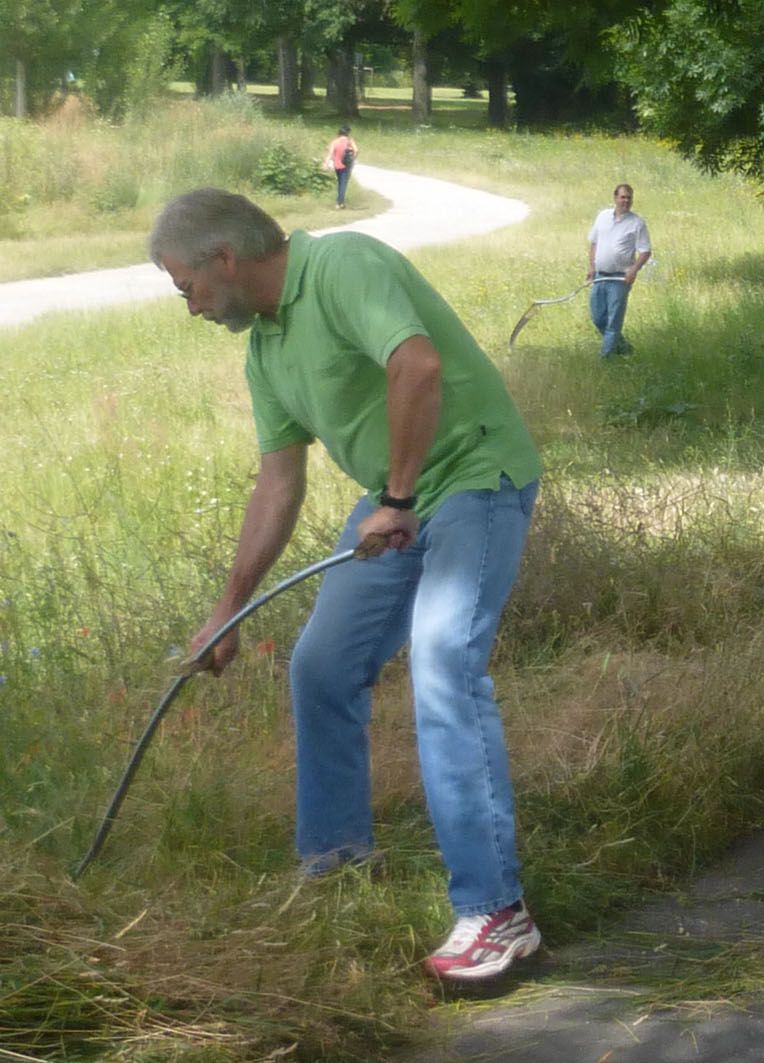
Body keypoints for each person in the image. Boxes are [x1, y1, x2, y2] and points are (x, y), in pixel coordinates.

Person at [148, 188, 543, 984]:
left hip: (473, 476)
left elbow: (416, 363)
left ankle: (497, 912)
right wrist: (228, 611)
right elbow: (277, 485)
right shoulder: (266, 348)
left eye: (186, 287)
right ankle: (336, 864)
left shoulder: (342, 265)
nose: (189, 307)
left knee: (443, 661)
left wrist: (396, 497)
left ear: (224, 258)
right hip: (395, 501)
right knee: (321, 666)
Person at [586, 183, 651, 358]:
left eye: (629, 198)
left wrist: (633, 270)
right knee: (598, 318)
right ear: (615, 198)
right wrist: (591, 267)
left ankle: (606, 359)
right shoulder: (603, 217)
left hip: (620, 279)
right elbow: (594, 243)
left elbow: (645, 251)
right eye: (623, 197)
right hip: (600, 276)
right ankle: (625, 349)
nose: (626, 201)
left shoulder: (637, 223)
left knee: (613, 321)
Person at [325, 125, 358, 209]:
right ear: (347, 133)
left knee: (340, 183)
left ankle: (341, 203)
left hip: (337, 165)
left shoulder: (335, 142)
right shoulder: (349, 141)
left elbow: (330, 154)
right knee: (343, 184)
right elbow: (356, 150)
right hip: (346, 165)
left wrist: (325, 163)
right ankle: (339, 203)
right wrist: (353, 159)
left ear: (339, 133)